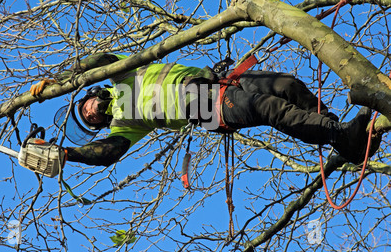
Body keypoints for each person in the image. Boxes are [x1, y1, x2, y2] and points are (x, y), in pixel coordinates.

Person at [30, 53, 379, 167]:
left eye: (86, 108)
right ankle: (339, 136)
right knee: (267, 107)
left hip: (221, 80)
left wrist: (58, 79)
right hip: (201, 104)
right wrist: (66, 153)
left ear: (88, 94)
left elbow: (98, 59)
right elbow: (109, 152)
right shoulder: (125, 121)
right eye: (90, 119)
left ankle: (343, 137)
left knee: (287, 86)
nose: (91, 113)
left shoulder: (120, 71)